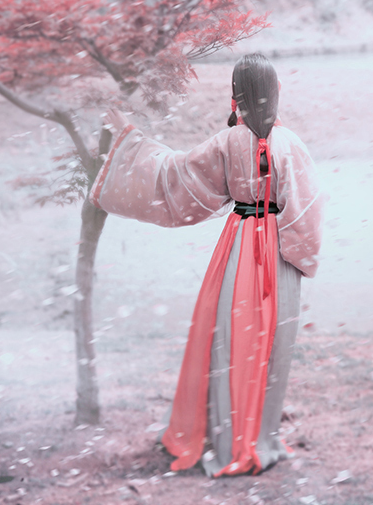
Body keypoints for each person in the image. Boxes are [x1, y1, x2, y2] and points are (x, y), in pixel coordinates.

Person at [89, 53, 323, 477]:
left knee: (229, 340)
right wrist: (299, 257)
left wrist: (131, 144)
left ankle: (226, 437)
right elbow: (306, 209)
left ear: (236, 95)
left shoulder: (227, 141)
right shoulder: (293, 145)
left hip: (238, 244)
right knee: (270, 347)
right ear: (275, 92)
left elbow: (177, 178)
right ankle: (259, 437)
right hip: (278, 253)